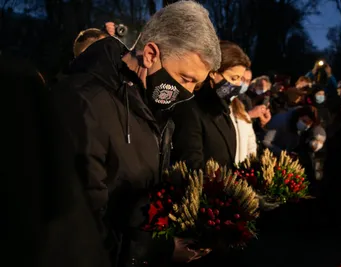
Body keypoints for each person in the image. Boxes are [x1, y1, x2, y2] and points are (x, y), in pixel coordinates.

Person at [48, 1, 221, 267]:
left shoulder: (154, 105)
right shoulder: (83, 103)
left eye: (196, 84)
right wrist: (155, 251)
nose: (188, 92)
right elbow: (80, 220)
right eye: (185, 79)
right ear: (151, 54)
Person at [172, 40, 251, 170]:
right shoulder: (191, 108)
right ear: (214, 73)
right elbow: (190, 162)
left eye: (240, 79)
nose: (237, 85)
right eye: (233, 78)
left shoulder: (224, 109)